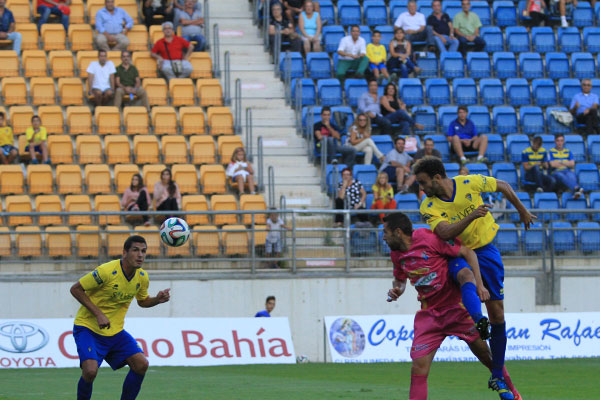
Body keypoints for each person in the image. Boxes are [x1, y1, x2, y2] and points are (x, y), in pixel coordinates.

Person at [413, 156, 536, 399]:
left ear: (437, 178)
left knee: (498, 315)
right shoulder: (428, 206)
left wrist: (522, 210)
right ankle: (478, 320)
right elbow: (445, 232)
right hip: (456, 253)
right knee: (466, 274)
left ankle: (498, 374)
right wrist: (472, 216)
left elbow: (503, 186)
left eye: (423, 182)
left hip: (486, 251)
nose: (422, 188)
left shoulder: (470, 182)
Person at [383, 212, 521, 400]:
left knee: (489, 358)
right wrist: (397, 290)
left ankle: (516, 395)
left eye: (386, 232)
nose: (383, 237)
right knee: (418, 368)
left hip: (457, 311)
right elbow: (400, 280)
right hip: (430, 315)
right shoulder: (396, 254)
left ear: (398, 232)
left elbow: (467, 252)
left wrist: (479, 285)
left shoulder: (428, 239)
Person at [70, 236, 170, 400]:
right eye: (135, 250)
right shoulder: (106, 271)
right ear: (124, 252)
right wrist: (98, 314)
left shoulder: (142, 277)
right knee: (90, 371)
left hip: (115, 332)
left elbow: (142, 301)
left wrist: (156, 300)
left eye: (143, 251)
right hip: (88, 328)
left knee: (141, 364)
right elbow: (75, 289)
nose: (140, 255)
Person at [359, 80, 424, 136]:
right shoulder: (383, 97)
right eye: (389, 89)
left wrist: (402, 109)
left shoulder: (397, 99)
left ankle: (406, 140)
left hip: (396, 117)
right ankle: (414, 124)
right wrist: (399, 112)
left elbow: (403, 108)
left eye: (392, 89)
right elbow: (389, 108)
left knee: (405, 123)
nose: (391, 90)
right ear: (386, 90)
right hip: (387, 117)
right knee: (401, 113)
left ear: (395, 90)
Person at [548, 134, 585, 199]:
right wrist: (566, 163)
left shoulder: (568, 152)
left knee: (572, 175)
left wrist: (560, 162)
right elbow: (552, 164)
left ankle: (576, 191)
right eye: (558, 141)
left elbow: (572, 164)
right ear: (555, 141)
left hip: (567, 171)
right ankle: (576, 188)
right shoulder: (550, 152)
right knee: (561, 176)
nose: (559, 143)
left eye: (561, 141)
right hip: (556, 172)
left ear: (564, 141)